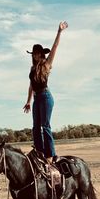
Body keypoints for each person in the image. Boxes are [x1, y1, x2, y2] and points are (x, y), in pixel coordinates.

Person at [23, 21, 68, 164]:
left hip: (46, 97)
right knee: (36, 127)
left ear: (41, 54)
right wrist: (28, 101)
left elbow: (55, 47)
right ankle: (39, 151)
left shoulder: (47, 64)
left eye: (38, 53)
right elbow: (31, 85)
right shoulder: (32, 69)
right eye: (34, 54)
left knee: (45, 125)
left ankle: (50, 154)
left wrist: (59, 32)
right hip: (36, 99)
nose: (36, 56)